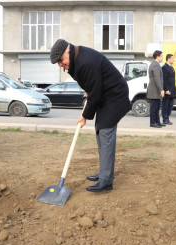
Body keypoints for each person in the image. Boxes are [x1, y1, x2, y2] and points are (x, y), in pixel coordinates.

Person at [50, 39, 131, 192]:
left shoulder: (86, 61)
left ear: (68, 51)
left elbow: (96, 92)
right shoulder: (74, 61)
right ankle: (103, 172)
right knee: (100, 130)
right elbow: (90, 85)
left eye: (60, 60)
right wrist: (87, 89)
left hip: (115, 96)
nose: (60, 65)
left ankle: (106, 181)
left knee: (106, 132)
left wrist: (85, 116)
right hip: (105, 95)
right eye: (58, 63)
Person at [147, 50, 165, 128]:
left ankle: (157, 122)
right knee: (154, 107)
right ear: (157, 57)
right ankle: (153, 122)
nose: (162, 57)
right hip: (154, 89)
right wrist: (161, 89)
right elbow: (157, 78)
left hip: (154, 88)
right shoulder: (156, 65)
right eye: (161, 56)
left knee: (157, 106)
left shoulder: (154, 64)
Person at [161, 54, 176, 125]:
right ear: (168, 59)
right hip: (167, 90)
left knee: (170, 105)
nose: (173, 60)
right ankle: (165, 119)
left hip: (172, 89)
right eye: (172, 58)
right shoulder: (164, 67)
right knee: (165, 105)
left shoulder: (171, 67)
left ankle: (167, 118)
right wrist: (166, 89)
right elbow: (164, 79)